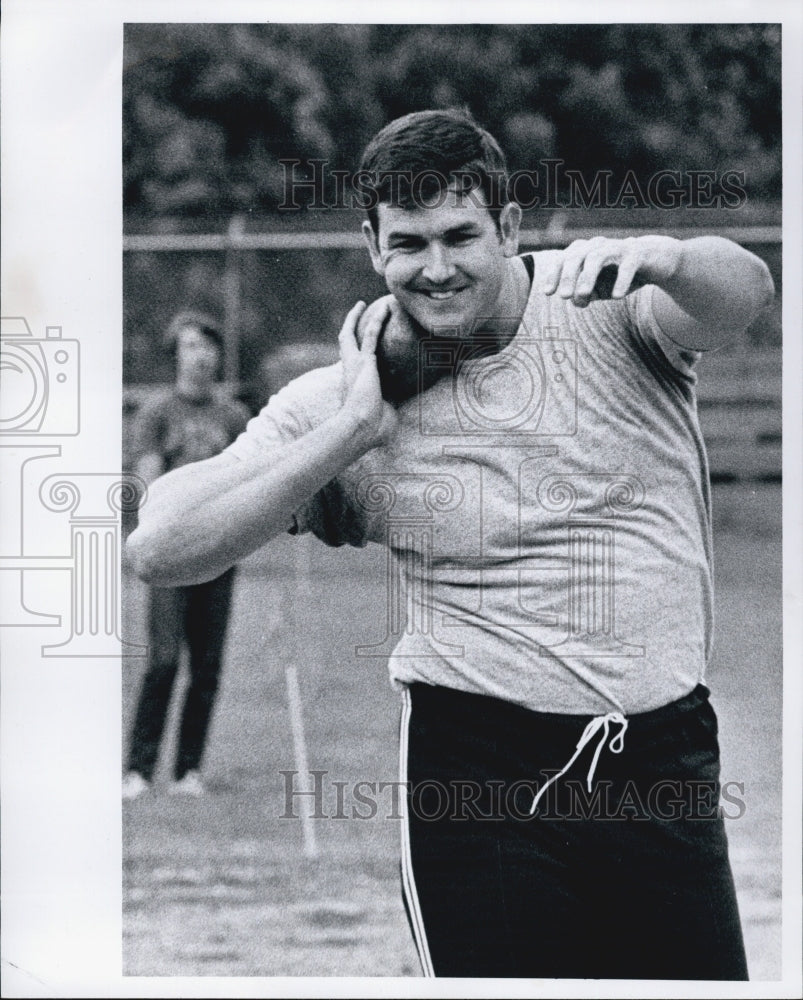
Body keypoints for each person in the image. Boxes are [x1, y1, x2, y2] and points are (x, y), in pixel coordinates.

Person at [126, 110, 774, 977]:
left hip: (658, 756)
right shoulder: (353, 393)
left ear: (507, 227)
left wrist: (669, 255)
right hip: (475, 772)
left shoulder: (608, 308)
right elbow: (159, 545)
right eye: (408, 243)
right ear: (371, 247)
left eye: (460, 236)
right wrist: (350, 433)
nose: (435, 269)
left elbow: (746, 292)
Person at [123, 312, 250, 799]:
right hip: (172, 559)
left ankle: (188, 771)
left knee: (208, 666)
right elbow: (151, 486)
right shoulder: (157, 413)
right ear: (176, 353)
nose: (201, 355)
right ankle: (137, 769)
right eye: (191, 346)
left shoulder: (233, 418)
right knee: (163, 660)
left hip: (218, 554)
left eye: (209, 346)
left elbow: (247, 481)